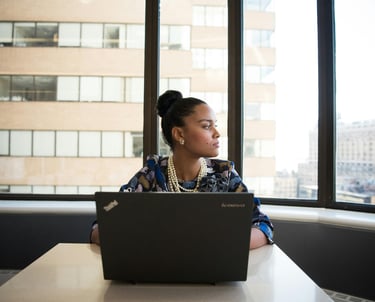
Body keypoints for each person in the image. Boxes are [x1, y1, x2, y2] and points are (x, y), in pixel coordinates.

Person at [91, 90, 274, 249]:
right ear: (179, 134)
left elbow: (262, 225)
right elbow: (102, 225)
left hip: (213, 274)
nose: (217, 133)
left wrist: (221, 243)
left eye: (215, 125)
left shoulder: (224, 174)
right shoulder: (151, 174)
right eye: (206, 126)